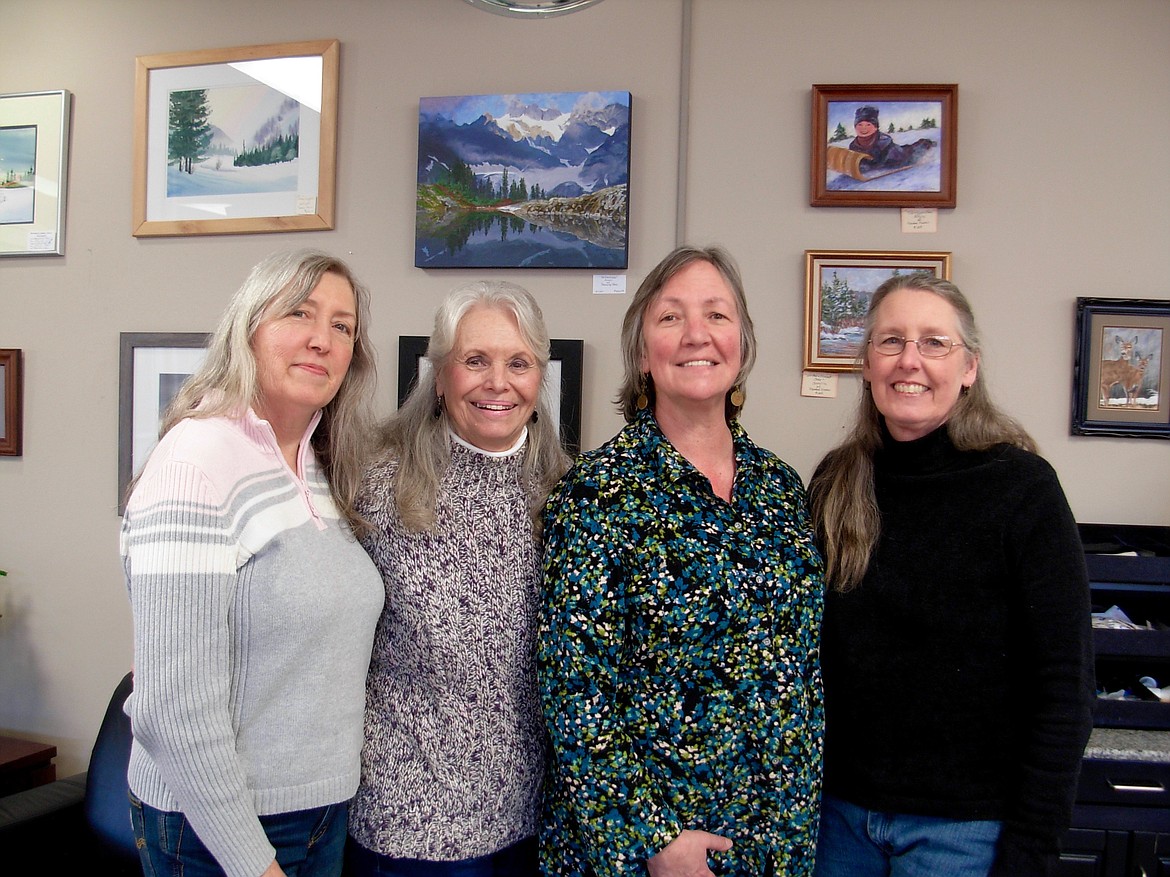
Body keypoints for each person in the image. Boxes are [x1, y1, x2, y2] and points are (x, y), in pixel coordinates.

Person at [538, 245, 825, 877]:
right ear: (642, 353)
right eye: (671, 318)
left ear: (742, 346)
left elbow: (803, 670)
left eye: (717, 315)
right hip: (649, 853)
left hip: (774, 840)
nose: (698, 334)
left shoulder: (779, 486)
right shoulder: (596, 495)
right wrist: (653, 840)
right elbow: (574, 690)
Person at [808, 274, 1094, 877]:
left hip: (965, 832)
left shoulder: (1023, 491)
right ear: (865, 364)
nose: (909, 360)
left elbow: (1065, 688)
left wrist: (1031, 851)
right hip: (838, 820)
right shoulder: (836, 482)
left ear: (969, 368)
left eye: (934, 342)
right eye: (891, 341)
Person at [122, 249, 386, 877]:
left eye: (343, 326)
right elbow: (171, 711)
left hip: (320, 814)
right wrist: (252, 863)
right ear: (250, 328)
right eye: (300, 313)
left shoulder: (318, 463)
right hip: (220, 830)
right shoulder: (196, 463)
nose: (322, 339)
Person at [346, 281, 571, 877]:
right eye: (475, 360)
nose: (498, 382)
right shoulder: (374, 484)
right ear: (439, 375)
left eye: (518, 362)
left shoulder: (569, 492)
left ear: (539, 377)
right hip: (406, 826)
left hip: (529, 820)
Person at [846, 105, 934, 175]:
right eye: (860, 125)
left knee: (913, 151)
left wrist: (867, 166)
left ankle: (927, 143)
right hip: (895, 154)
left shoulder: (884, 143)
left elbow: (882, 163)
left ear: (875, 127)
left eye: (868, 125)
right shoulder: (854, 145)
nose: (863, 128)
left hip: (901, 157)